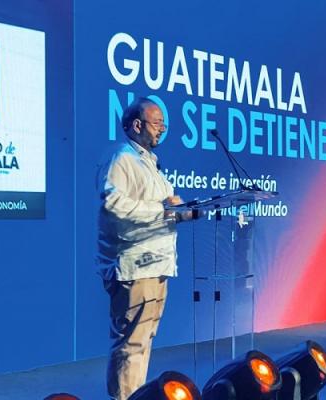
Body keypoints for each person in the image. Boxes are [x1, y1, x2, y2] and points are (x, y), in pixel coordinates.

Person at [97, 97, 191, 400]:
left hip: (156, 266)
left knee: (142, 342)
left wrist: (181, 211)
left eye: (164, 123)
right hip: (135, 268)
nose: (162, 129)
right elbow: (113, 204)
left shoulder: (148, 162)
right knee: (131, 346)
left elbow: (162, 209)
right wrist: (163, 210)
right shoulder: (122, 159)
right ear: (136, 125)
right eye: (156, 123)